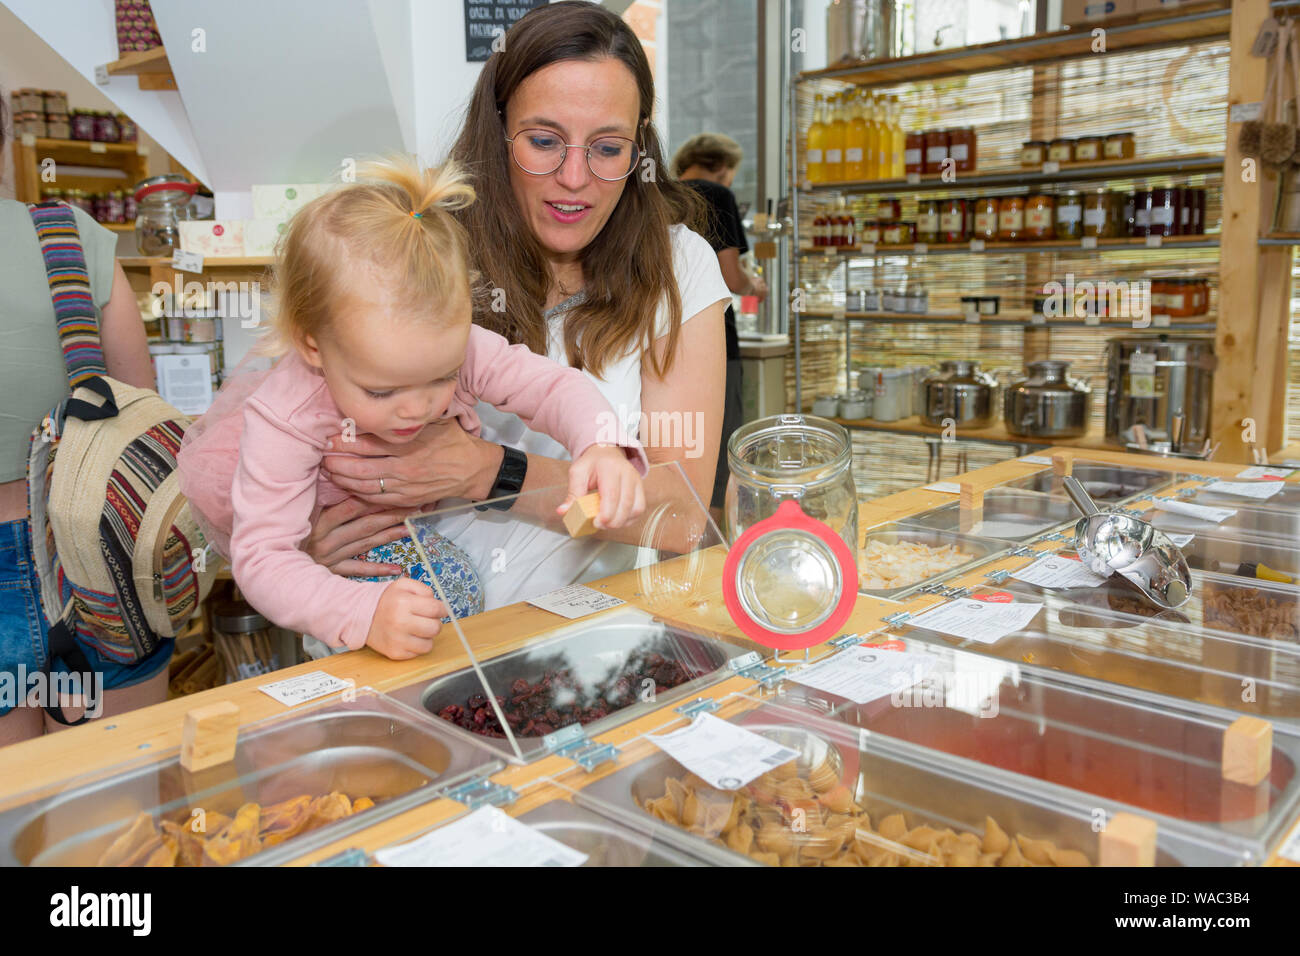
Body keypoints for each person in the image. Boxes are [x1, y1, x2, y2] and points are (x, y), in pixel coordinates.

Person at [285, 1, 731, 608]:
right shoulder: (417, 248)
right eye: (544, 141)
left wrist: (489, 472)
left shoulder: (679, 267)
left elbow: (678, 517)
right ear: (497, 133)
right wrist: (297, 546)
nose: (574, 177)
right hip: (390, 643)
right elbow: (283, 430)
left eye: (608, 147)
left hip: (575, 654)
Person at [177, 156, 648, 660]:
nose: (417, 410)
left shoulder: (457, 344)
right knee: (447, 599)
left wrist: (600, 443)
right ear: (312, 346)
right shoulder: (289, 415)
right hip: (333, 541)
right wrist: (361, 612)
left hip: (407, 521)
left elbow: (553, 387)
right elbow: (263, 559)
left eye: (442, 379)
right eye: (382, 393)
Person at [0, 92, 163, 746]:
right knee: (116, 816)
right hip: (97, 557)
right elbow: (141, 417)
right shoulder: (69, 238)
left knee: (12, 824)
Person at [671, 133, 768, 522]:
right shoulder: (717, 194)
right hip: (711, 338)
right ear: (724, 168)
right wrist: (756, 286)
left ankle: (674, 535)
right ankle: (709, 545)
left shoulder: (659, 194)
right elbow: (731, 276)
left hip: (658, 338)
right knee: (721, 441)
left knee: (673, 442)